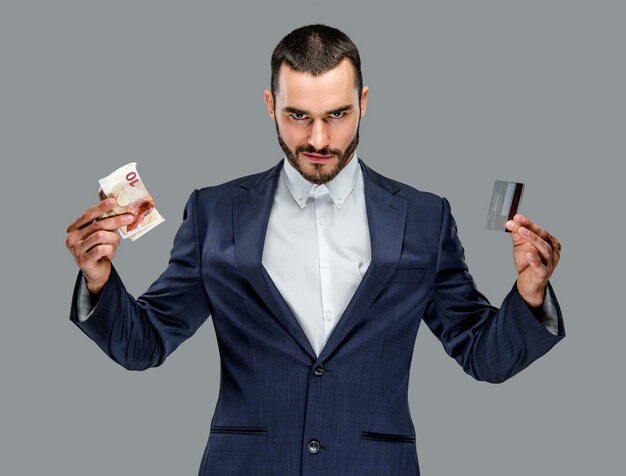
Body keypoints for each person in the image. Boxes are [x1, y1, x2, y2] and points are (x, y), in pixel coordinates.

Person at [65, 24, 564, 476]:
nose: (319, 139)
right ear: (269, 105)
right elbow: (146, 342)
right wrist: (98, 280)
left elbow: (483, 353)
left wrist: (531, 293)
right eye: (298, 116)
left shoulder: (424, 217)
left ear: (364, 102)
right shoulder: (215, 212)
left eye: (338, 115)